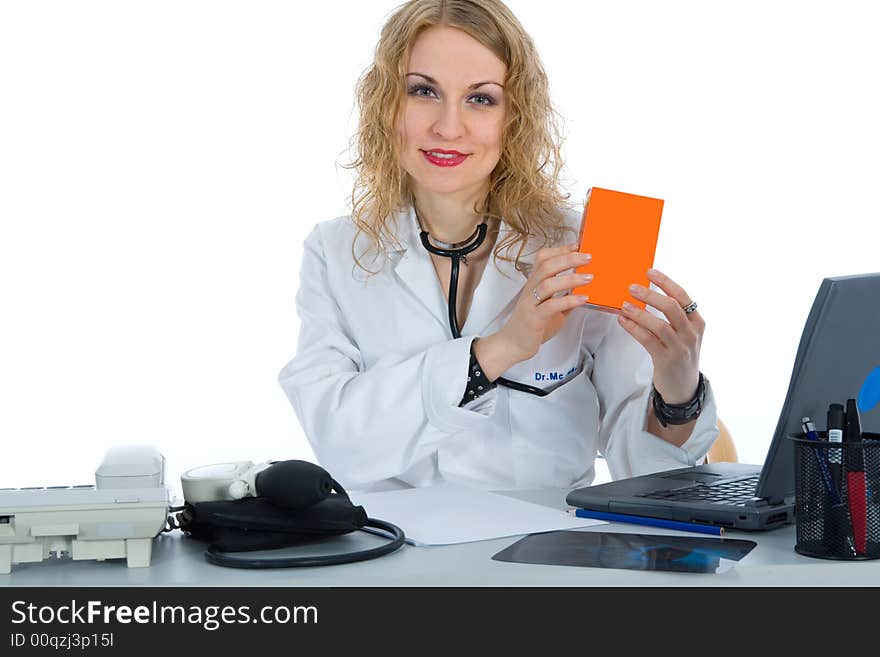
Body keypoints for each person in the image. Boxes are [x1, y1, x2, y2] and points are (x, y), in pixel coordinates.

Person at [279, 0, 719, 492]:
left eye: (481, 98)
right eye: (423, 91)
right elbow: (339, 440)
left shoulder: (586, 247)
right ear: (386, 105)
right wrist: (501, 349)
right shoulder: (336, 251)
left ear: (516, 116)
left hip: (542, 550)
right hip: (393, 552)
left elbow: (650, 479)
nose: (448, 127)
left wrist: (679, 391)